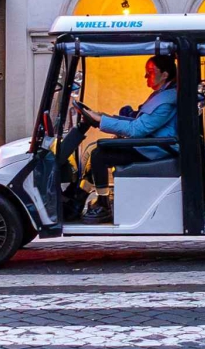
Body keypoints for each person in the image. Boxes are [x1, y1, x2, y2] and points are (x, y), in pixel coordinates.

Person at [76, 54, 179, 223]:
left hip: (156, 150)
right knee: (97, 154)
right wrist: (105, 117)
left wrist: (101, 120)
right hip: (151, 145)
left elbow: (137, 130)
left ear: (165, 74)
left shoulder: (166, 101)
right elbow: (139, 121)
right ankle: (80, 196)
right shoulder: (163, 95)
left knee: (99, 155)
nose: (146, 76)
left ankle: (103, 203)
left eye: (150, 72)